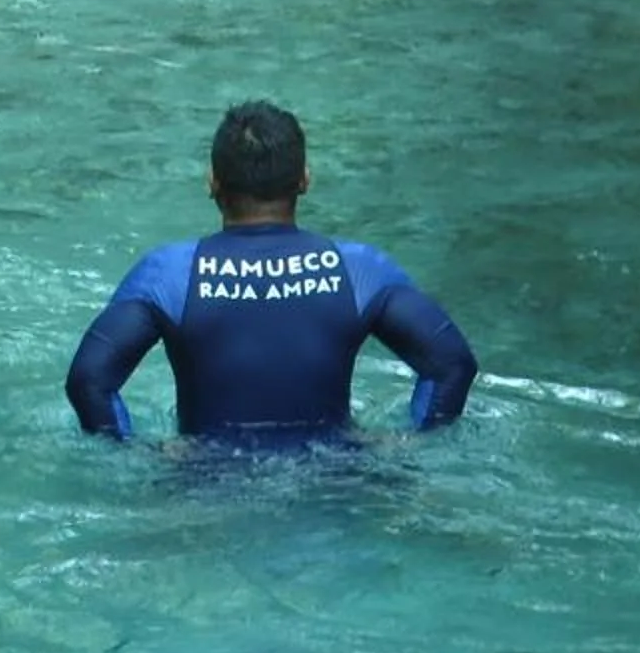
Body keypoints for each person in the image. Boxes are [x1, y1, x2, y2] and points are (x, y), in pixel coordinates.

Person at [65, 100, 477, 447]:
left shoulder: (170, 273)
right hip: (337, 484)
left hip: (206, 489)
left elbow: (89, 381)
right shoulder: (358, 269)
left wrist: (138, 456)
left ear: (212, 183)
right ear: (304, 181)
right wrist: (413, 444)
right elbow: (452, 363)